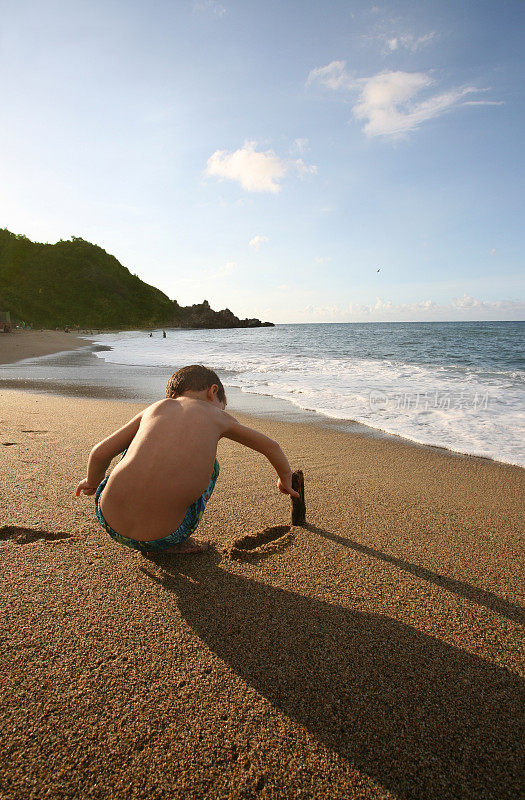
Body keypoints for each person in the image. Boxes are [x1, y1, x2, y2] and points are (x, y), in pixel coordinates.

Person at [76, 365, 299, 555]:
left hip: (108, 521)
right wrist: (284, 478)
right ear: (214, 392)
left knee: (135, 446)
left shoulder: (156, 408)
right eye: (223, 405)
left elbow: (99, 454)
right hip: (166, 536)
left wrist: (92, 482)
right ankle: (179, 543)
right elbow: (271, 447)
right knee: (212, 467)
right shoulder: (219, 416)